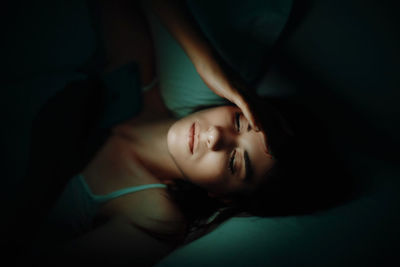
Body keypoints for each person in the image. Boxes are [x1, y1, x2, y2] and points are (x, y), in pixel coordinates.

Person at [5, 0, 349, 266]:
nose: (215, 137)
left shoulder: (153, 218)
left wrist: (44, 168)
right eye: (239, 121)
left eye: (234, 162)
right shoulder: (139, 74)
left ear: (225, 197)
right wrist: (208, 64)